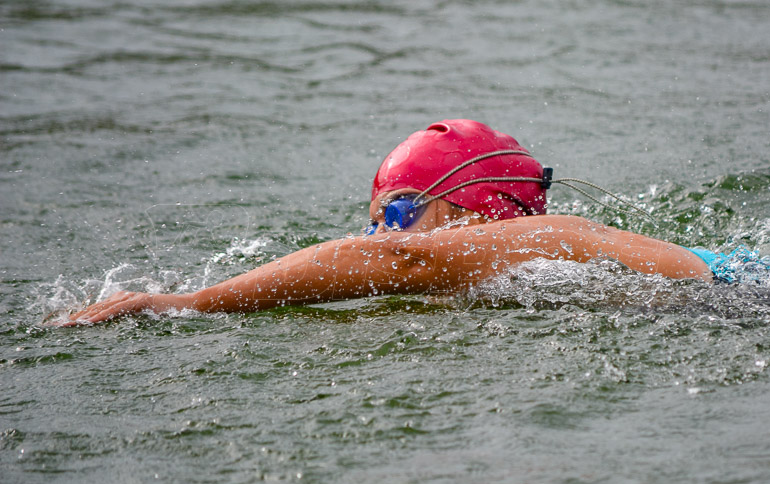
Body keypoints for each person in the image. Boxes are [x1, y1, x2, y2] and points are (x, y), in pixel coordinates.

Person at [63, 120, 711, 325]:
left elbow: (407, 261)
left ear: (469, 209)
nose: (382, 240)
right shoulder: (534, 284)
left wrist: (178, 303)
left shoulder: (552, 239)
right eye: (374, 223)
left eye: (400, 213)